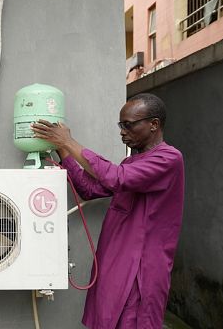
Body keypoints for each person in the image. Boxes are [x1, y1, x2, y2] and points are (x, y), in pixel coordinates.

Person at [31, 93, 184, 329]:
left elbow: (115, 178)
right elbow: (89, 189)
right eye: (120, 125)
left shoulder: (169, 159)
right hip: (115, 263)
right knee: (106, 320)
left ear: (153, 124)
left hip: (140, 269)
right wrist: (62, 151)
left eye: (128, 125)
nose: (122, 131)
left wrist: (69, 142)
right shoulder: (132, 163)